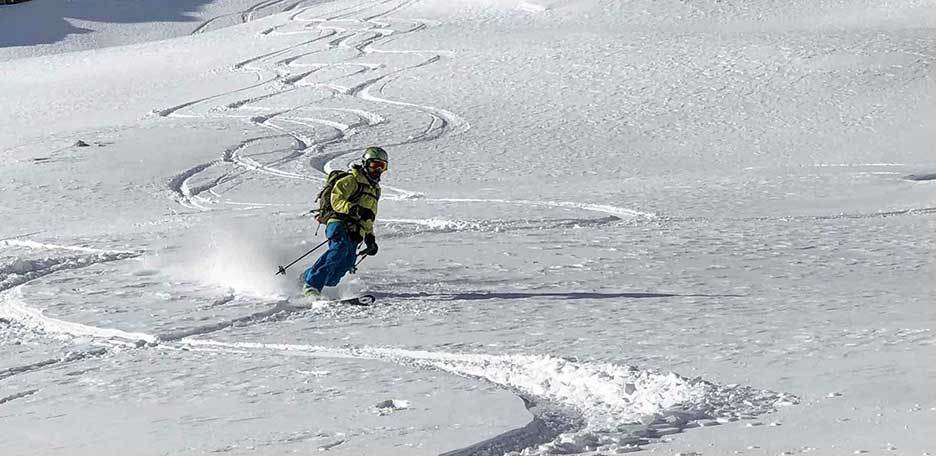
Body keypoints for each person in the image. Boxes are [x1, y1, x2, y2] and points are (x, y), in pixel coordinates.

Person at [302, 147, 387, 297]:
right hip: (339, 222)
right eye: (374, 165)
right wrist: (354, 209)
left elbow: (369, 216)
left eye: (382, 166)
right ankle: (311, 286)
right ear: (365, 164)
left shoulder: (375, 190)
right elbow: (336, 199)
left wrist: (370, 238)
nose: (378, 170)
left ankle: (305, 278)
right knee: (338, 251)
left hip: (357, 230)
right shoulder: (352, 180)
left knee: (347, 262)